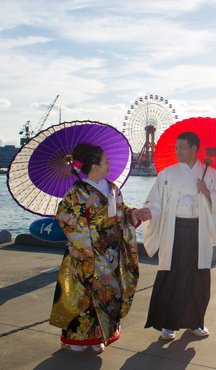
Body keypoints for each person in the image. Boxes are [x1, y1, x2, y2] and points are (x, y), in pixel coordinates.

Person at [50, 143, 143, 353]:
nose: (109, 164)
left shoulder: (112, 188)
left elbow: (120, 210)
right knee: (83, 295)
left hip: (109, 254)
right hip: (85, 254)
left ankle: (98, 335)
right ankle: (76, 338)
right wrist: (84, 208)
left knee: (107, 294)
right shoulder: (77, 191)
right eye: (105, 161)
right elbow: (63, 217)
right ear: (93, 166)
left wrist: (132, 213)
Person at [137, 131, 216, 339]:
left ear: (194, 149)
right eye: (176, 147)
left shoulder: (211, 174)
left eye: (182, 147)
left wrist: (207, 192)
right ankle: (169, 324)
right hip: (175, 228)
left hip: (199, 229)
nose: (177, 151)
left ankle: (195, 322)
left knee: (198, 276)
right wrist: (149, 211)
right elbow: (155, 201)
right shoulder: (167, 174)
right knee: (173, 275)